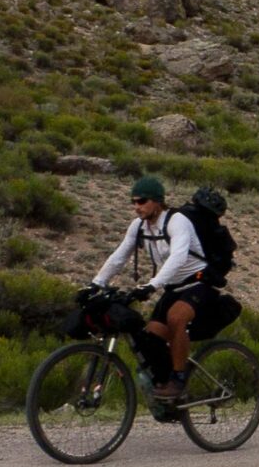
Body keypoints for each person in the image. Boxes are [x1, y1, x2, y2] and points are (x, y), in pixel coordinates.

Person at [86, 175, 211, 419]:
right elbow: (119, 256)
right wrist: (95, 284)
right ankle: (169, 394)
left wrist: (151, 285)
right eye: (133, 202)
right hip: (172, 288)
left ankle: (178, 378)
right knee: (149, 337)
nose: (136, 206)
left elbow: (178, 257)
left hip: (198, 283)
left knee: (176, 319)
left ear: (157, 201)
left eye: (141, 201)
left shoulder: (177, 222)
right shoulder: (138, 226)